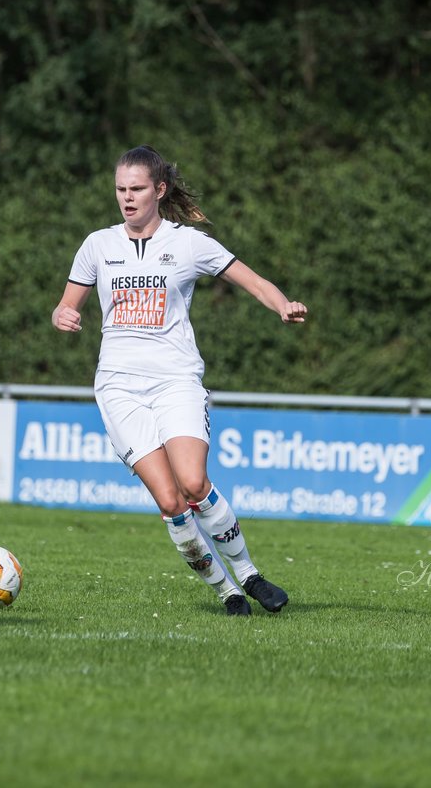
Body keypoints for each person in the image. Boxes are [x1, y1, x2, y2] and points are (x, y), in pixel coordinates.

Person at [51, 145, 307, 616]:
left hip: (175, 380)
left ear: (159, 190)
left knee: (193, 482)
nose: (127, 199)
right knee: (169, 500)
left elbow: (252, 281)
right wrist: (64, 314)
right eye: (120, 190)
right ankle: (226, 591)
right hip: (119, 387)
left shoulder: (188, 243)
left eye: (137, 189)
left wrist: (283, 304)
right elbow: (67, 304)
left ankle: (248, 575)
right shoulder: (97, 245)